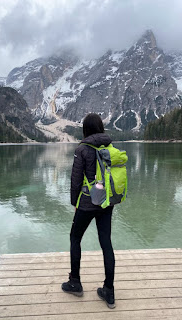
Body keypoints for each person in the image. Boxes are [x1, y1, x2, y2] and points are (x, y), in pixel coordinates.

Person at [61, 113, 115, 309]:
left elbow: (76, 179)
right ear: (100, 128)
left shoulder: (82, 148)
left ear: (85, 129)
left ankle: (75, 282)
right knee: (106, 242)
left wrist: (74, 201)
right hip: (106, 202)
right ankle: (109, 290)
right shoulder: (109, 146)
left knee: (75, 238)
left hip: (87, 202)